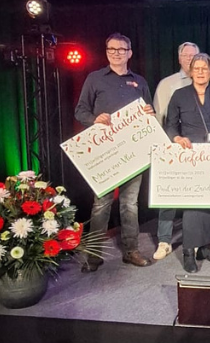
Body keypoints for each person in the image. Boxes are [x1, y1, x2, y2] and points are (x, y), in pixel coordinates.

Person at [73, 33, 155, 272]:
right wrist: (94, 119)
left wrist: (150, 112)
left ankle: (131, 251)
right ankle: (94, 256)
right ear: (106, 52)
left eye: (121, 49)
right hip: (106, 153)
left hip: (133, 152)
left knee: (130, 204)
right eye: (112, 49)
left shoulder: (140, 81)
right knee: (101, 205)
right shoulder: (95, 79)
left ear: (130, 53)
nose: (116, 53)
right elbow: (80, 111)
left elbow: (149, 111)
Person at [165, 52, 210, 273]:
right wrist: (177, 138)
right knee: (193, 205)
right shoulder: (179, 95)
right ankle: (188, 252)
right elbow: (170, 125)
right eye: (197, 68)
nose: (200, 72)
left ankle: (205, 248)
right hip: (191, 156)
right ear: (190, 72)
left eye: (205, 68)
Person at [151, 42, 200, 261]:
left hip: (197, 149)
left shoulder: (204, 82)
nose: (190, 59)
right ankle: (164, 241)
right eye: (186, 55)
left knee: (196, 195)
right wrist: (166, 145)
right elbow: (158, 118)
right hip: (171, 147)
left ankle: (194, 240)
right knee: (168, 196)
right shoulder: (167, 84)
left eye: (194, 55)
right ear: (179, 58)